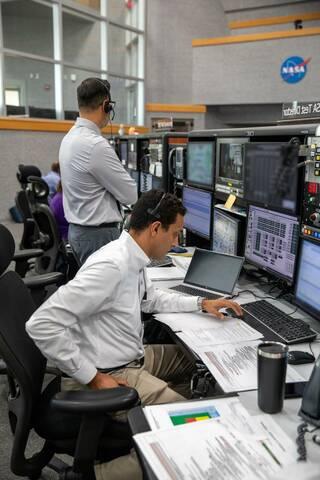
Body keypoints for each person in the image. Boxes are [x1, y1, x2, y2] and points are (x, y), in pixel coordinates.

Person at [26, 189, 243, 480]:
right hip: (109, 372)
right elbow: (41, 323)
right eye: (176, 234)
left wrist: (201, 303)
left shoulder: (132, 256)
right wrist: (93, 377)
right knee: (191, 428)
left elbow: (150, 299)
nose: (177, 242)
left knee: (196, 361)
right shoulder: (110, 267)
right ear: (156, 228)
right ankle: (93, 475)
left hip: (130, 357)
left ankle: (168, 410)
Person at [59, 77, 137, 264]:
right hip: (98, 237)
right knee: (110, 293)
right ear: (106, 105)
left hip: (80, 233)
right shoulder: (95, 145)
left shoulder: (70, 138)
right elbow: (131, 196)